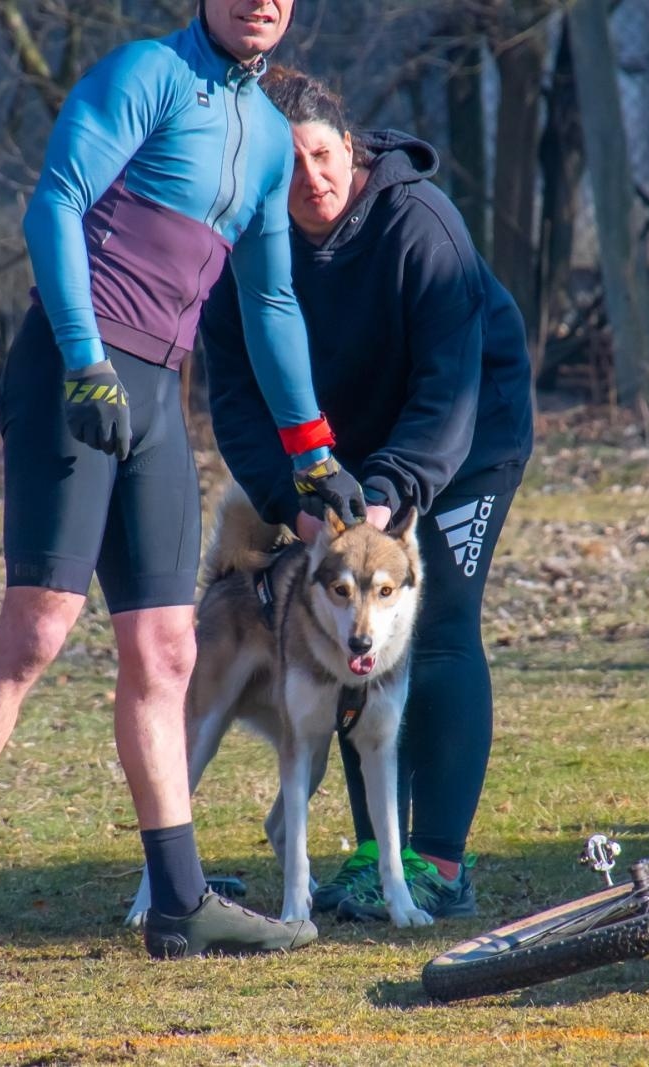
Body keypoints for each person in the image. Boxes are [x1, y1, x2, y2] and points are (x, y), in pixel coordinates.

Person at [0, 1, 367, 960]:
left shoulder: (271, 137)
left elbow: (270, 297)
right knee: (38, 628)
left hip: (156, 390)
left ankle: (180, 900)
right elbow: (54, 205)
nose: (261, 2)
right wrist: (81, 357)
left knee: (168, 650)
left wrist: (311, 447)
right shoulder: (145, 76)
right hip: (78, 369)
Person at [199, 67, 534, 920]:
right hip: (341, 461)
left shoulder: (419, 225)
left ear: (349, 148)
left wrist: (389, 491)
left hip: (462, 438)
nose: (310, 179)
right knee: (349, 632)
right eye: (288, 164)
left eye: (322, 155)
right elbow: (236, 397)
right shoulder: (243, 237)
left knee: (440, 622)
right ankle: (372, 854)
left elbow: (448, 385)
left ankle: (439, 863)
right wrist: (292, 496)